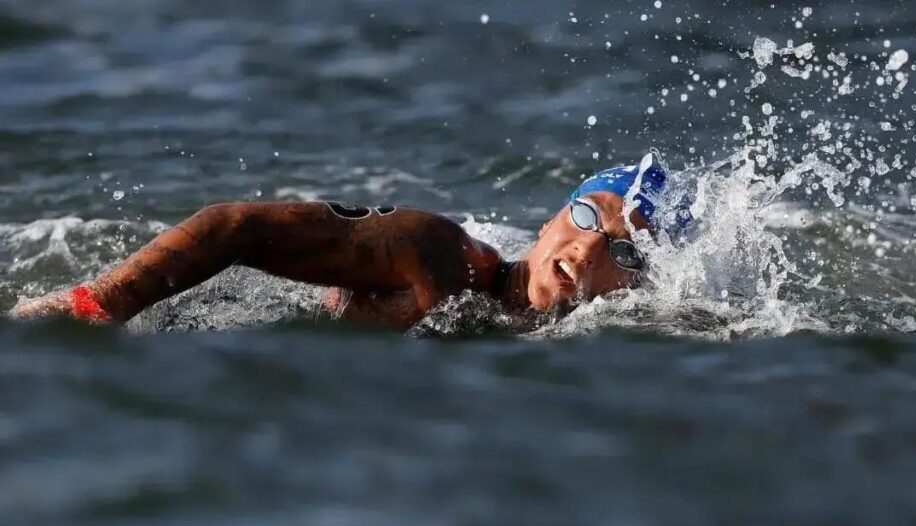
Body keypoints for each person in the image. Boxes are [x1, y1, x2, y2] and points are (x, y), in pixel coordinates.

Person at [11, 155, 688, 329]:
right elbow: (232, 224)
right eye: (589, 220)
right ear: (548, 223)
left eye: (626, 253)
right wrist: (93, 310)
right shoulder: (438, 256)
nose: (588, 254)